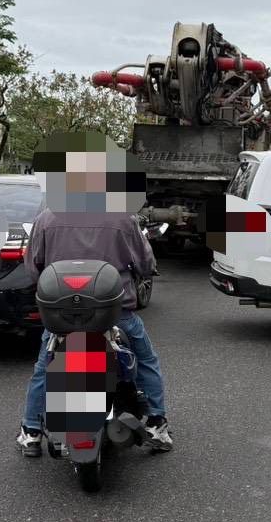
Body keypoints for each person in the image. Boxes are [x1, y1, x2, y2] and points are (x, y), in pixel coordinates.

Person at [15, 147, 172, 456]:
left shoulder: (46, 219)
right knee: (146, 360)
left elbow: (33, 267)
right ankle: (157, 424)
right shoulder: (123, 219)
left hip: (61, 316)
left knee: (45, 368)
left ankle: (31, 431)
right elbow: (144, 263)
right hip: (113, 314)